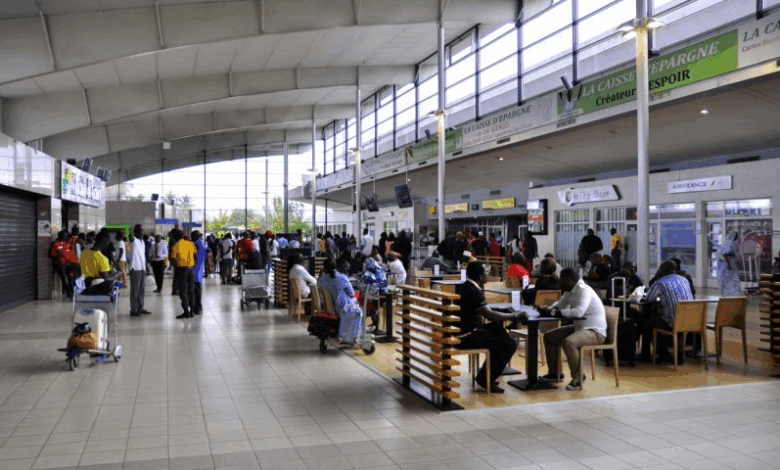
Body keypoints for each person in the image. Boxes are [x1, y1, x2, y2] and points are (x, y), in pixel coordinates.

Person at [455, 262, 521, 393]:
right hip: (467, 335)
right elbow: (491, 316)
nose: (488, 275)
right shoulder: (474, 291)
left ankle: (485, 376)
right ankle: (486, 379)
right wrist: (513, 315)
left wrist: (505, 312)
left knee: (498, 329)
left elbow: (484, 310)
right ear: (480, 277)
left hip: (463, 330)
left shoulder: (465, 286)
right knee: (510, 344)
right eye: (486, 273)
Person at [538, 268, 607, 390]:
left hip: (595, 332)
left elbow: (579, 312)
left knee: (569, 343)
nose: (560, 283)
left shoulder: (584, 290)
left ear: (570, 280)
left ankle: (578, 376)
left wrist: (555, 312)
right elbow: (560, 305)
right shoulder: (569, 291)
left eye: (562, 280)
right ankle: (555, 373)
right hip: (579, 328)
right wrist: (549, 308)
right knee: (549, 337)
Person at [639, 260, 694, 363]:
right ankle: (679, 356)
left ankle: (653, 355)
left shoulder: (660, 282)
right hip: (688, 320)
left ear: (662, 270)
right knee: (670, 318)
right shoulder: (684, 280)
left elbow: (649, 299)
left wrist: (656, 277)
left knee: (646, 321)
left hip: (672, 322)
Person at [317, 259, 363, 345]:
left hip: (330, 307)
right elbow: (352, 294)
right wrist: (358, 291)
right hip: (343, 307)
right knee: (358, 295)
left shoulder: (322, 279)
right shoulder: (342, 277)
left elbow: (318, 286)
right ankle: (360, 329)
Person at [171, 229, 196, 319]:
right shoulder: (190, 244)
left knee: (183, 291)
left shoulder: (176, 245)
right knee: (191, 290)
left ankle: (186, 312)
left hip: (182, 269)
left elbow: (173, 260)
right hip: (191, 268)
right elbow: (195, 255)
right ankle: (192, 311)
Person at [129, 224, 150, 316]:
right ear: (136, 232)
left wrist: (146, 266)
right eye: (140, 231)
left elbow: (142, 256)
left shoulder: (142, 242)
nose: (142, 232)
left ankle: (140, 308)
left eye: (142, 231)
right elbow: (131, 238)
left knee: (142, 289)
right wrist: (131, 236)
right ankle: (133, 310)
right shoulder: (134, 240)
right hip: (135, 268)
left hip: (142, 268)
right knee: (135, 290)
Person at [50, 230, 76, 298]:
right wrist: (60, 255)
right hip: (60, 265)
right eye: (64, 235)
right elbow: (52, 254)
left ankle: (72, 292)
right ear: (60, 236)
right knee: (64, 279)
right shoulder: (55, 244)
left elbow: (68, 252)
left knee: (71, 277)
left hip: (68, 264)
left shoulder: (65, 243)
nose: (66, 236)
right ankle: (68, 292)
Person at [716, 231, 741, 297]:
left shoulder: (724, 243)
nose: (737, 237)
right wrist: (730, 265)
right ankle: (731, 296)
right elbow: (725, 254)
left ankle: (726, 296)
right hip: (727, 266)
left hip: (722, 266)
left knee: (725, 282)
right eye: (736, 236)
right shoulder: (730, 243)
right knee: (732, 281)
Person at [192, 231, 206, 316]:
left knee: (196, 291)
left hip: (195, 270)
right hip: (199, 270)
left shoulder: (196, 244)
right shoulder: (201, 243)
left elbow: (194, 257)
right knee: (197, 290)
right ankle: (198, 307)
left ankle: (198, 308)